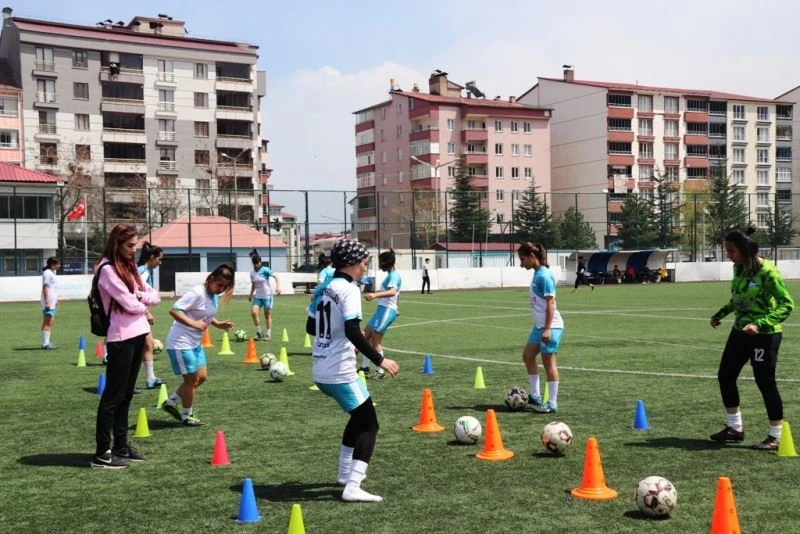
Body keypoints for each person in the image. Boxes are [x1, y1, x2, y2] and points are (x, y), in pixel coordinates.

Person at [306, 239, 399, 502]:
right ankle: (353, 486)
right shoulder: (349, 290)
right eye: (363, 262)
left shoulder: (323, 288)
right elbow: (350, 330)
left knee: (358, 418)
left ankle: (344, 475)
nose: (364, 266)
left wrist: (338, 338)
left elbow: (311, 328)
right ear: (352, 263)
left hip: (320, 369)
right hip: (339, 371)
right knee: (370, 423)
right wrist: (381, 360)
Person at [709, 227, 794, 450]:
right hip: (739, 332)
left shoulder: (768, 272)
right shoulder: (738, 268)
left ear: (745, 250)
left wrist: (759, 324)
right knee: (725, 375)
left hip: (765, 335)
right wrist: (721, 313)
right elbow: (738, 298)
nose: (728, 256)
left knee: (764, 381)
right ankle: (735, 428)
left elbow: (787, 304)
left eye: (731, 251)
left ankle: (776, 435)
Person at [91, 224, 161, 469]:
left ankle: (121, 446)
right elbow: (130, 303)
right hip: (120, 336)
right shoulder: (107, 269)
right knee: (113, 396)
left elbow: (154, 295)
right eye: (129, 245)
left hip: (139, 332)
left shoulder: (129, 267)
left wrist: (140, 297)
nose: (134, 250)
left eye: (135, 245)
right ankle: (102, 453)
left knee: (127, 394)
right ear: (116, 244)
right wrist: (141, 299)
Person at [162, 264, 235, 427]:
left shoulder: (213, 294)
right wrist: (194, 324)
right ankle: (186, 415)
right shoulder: (197, 292)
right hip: (180, 343)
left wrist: (218, 324)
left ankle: (170, 402)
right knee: (191, 380)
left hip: (195, 343)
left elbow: (205, 315)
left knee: (201, 377)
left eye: (224, 287)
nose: (221, 289)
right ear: (210, 279)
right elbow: (174, 310)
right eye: (220, 285)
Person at [518, 242, 564, 414]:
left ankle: (552, 403)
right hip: (540, 326)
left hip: (551, 327)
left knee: (549, 363)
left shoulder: (544, 276)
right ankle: (536, 396)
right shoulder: (538, 274)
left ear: (532, 256)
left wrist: (547, 328)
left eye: (523, 259)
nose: (522, 264)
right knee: (528, 356)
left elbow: (551, 303)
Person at [360, 250, 402, 379]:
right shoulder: (390, 275)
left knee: (376, 341)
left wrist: (374, 295)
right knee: (365, 335)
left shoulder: (394, 275)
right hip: (382, 310)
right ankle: (364, 368)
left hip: (386, 310)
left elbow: (393, 292)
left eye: (381, 262)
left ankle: (380, 371)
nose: (380, 265)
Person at [137, 242, 165, 389]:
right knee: (139, 348)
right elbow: (135, 293)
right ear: (152, 257)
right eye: (159, 259)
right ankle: (127, 383)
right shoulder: (142, 271)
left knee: (148, 345)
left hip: (139, 313)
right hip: (135, 315)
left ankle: (150, 379)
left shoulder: (144, 270)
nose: (160, 263)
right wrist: (146, 312)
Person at [248, 249, 281, 340]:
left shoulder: (265, 270)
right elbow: (254, 284)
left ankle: (268, 333)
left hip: (267, 296)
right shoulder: (252, 273)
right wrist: (251, 294)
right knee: (254, 312)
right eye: (255, 263)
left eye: (258, 263)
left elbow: (276, 277)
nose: (256, 265)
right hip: (258, 296)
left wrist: (277, 287)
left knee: (267, 315)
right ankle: (259, 332)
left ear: (260, 262)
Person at [40, 256, 60, 349]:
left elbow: (53, 288)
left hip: (52, 301)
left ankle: (46, 342)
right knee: (47, 321)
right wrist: (47, 301)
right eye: (57, 264)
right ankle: (45, 343)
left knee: (50, 321)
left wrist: (56, 300)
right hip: (48, 301)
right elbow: (45, 287)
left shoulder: (52, 273)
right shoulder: (47, 273)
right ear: (52, 264)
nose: (59, 265)